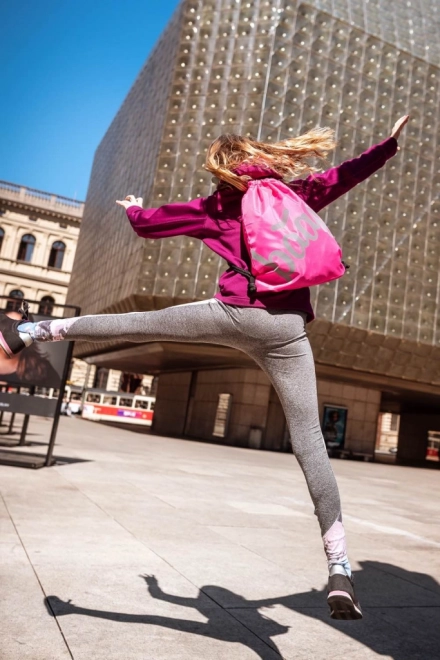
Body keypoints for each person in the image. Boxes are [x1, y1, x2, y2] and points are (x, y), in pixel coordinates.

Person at [0, 115, 409, 620]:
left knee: (138, 324)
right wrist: (387, 146)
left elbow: (150, 225)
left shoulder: (215, 206)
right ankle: (340, 568)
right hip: (285, 331)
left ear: (221, 168)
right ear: (259, 158)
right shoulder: (293, 193)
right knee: (310, 444)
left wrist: (134, 209)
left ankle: (31, 332)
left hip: (230, 313)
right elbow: (344, 175)